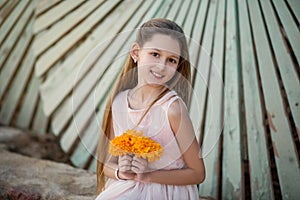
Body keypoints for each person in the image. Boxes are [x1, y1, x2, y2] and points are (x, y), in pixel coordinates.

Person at [95, 18, 205, 200]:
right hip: (129, 186)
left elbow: (197, 173)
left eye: (171, 60)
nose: (161, 66)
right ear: (136, 53)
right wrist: (122, 172)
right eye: (155, 54)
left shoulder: (173, 109)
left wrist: (147, 176)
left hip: (167, 192)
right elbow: (107, 164)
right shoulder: (120, 103)